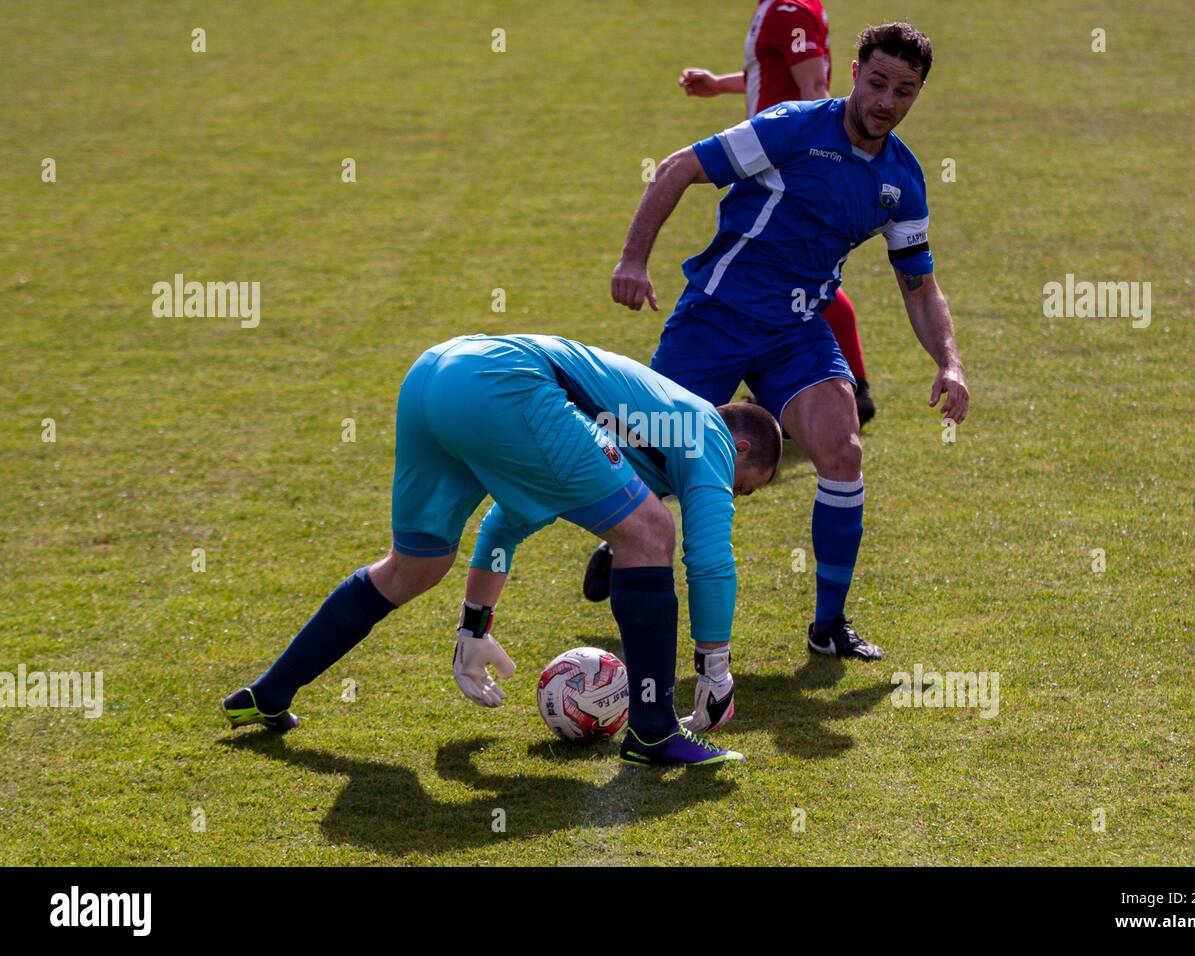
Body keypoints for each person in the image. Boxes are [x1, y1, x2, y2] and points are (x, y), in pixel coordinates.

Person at [588, 23, 970, 667]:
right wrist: (632, 260)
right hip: (717, 317)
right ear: (854, 72)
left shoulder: (902, 180)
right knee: (648, 461)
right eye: (877, 83)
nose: (886, 101)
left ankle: (829, 624)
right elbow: (682, 167)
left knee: (843, 449)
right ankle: (617, 545)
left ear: (917, 94)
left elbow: (918, 286)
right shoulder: (793, 127)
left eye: (904, 91)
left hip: (796, 331)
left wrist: (950, 362)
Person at [222, 333, 782, 767]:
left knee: (415, 566)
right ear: (740, 446)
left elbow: (507, 520)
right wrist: (714, 669)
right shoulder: (707, 431)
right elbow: (708, 557)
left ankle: (267, 693)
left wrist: (474, 628)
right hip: (504, 380)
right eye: (740, 486)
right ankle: (655, 731)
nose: (725, 495)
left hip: (433, 376)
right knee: (651, 532)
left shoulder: (644, 432)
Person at [678, 0, 875, 427]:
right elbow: (774, 70)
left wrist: (823, 169)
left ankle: (830, 386)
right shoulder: (791, 8)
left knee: (768, 269)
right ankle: (853, 388)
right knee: (798, 275)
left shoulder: (788, 11)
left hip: (782, 165)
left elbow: (815, 90)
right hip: (771, 156)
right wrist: (719, 85)